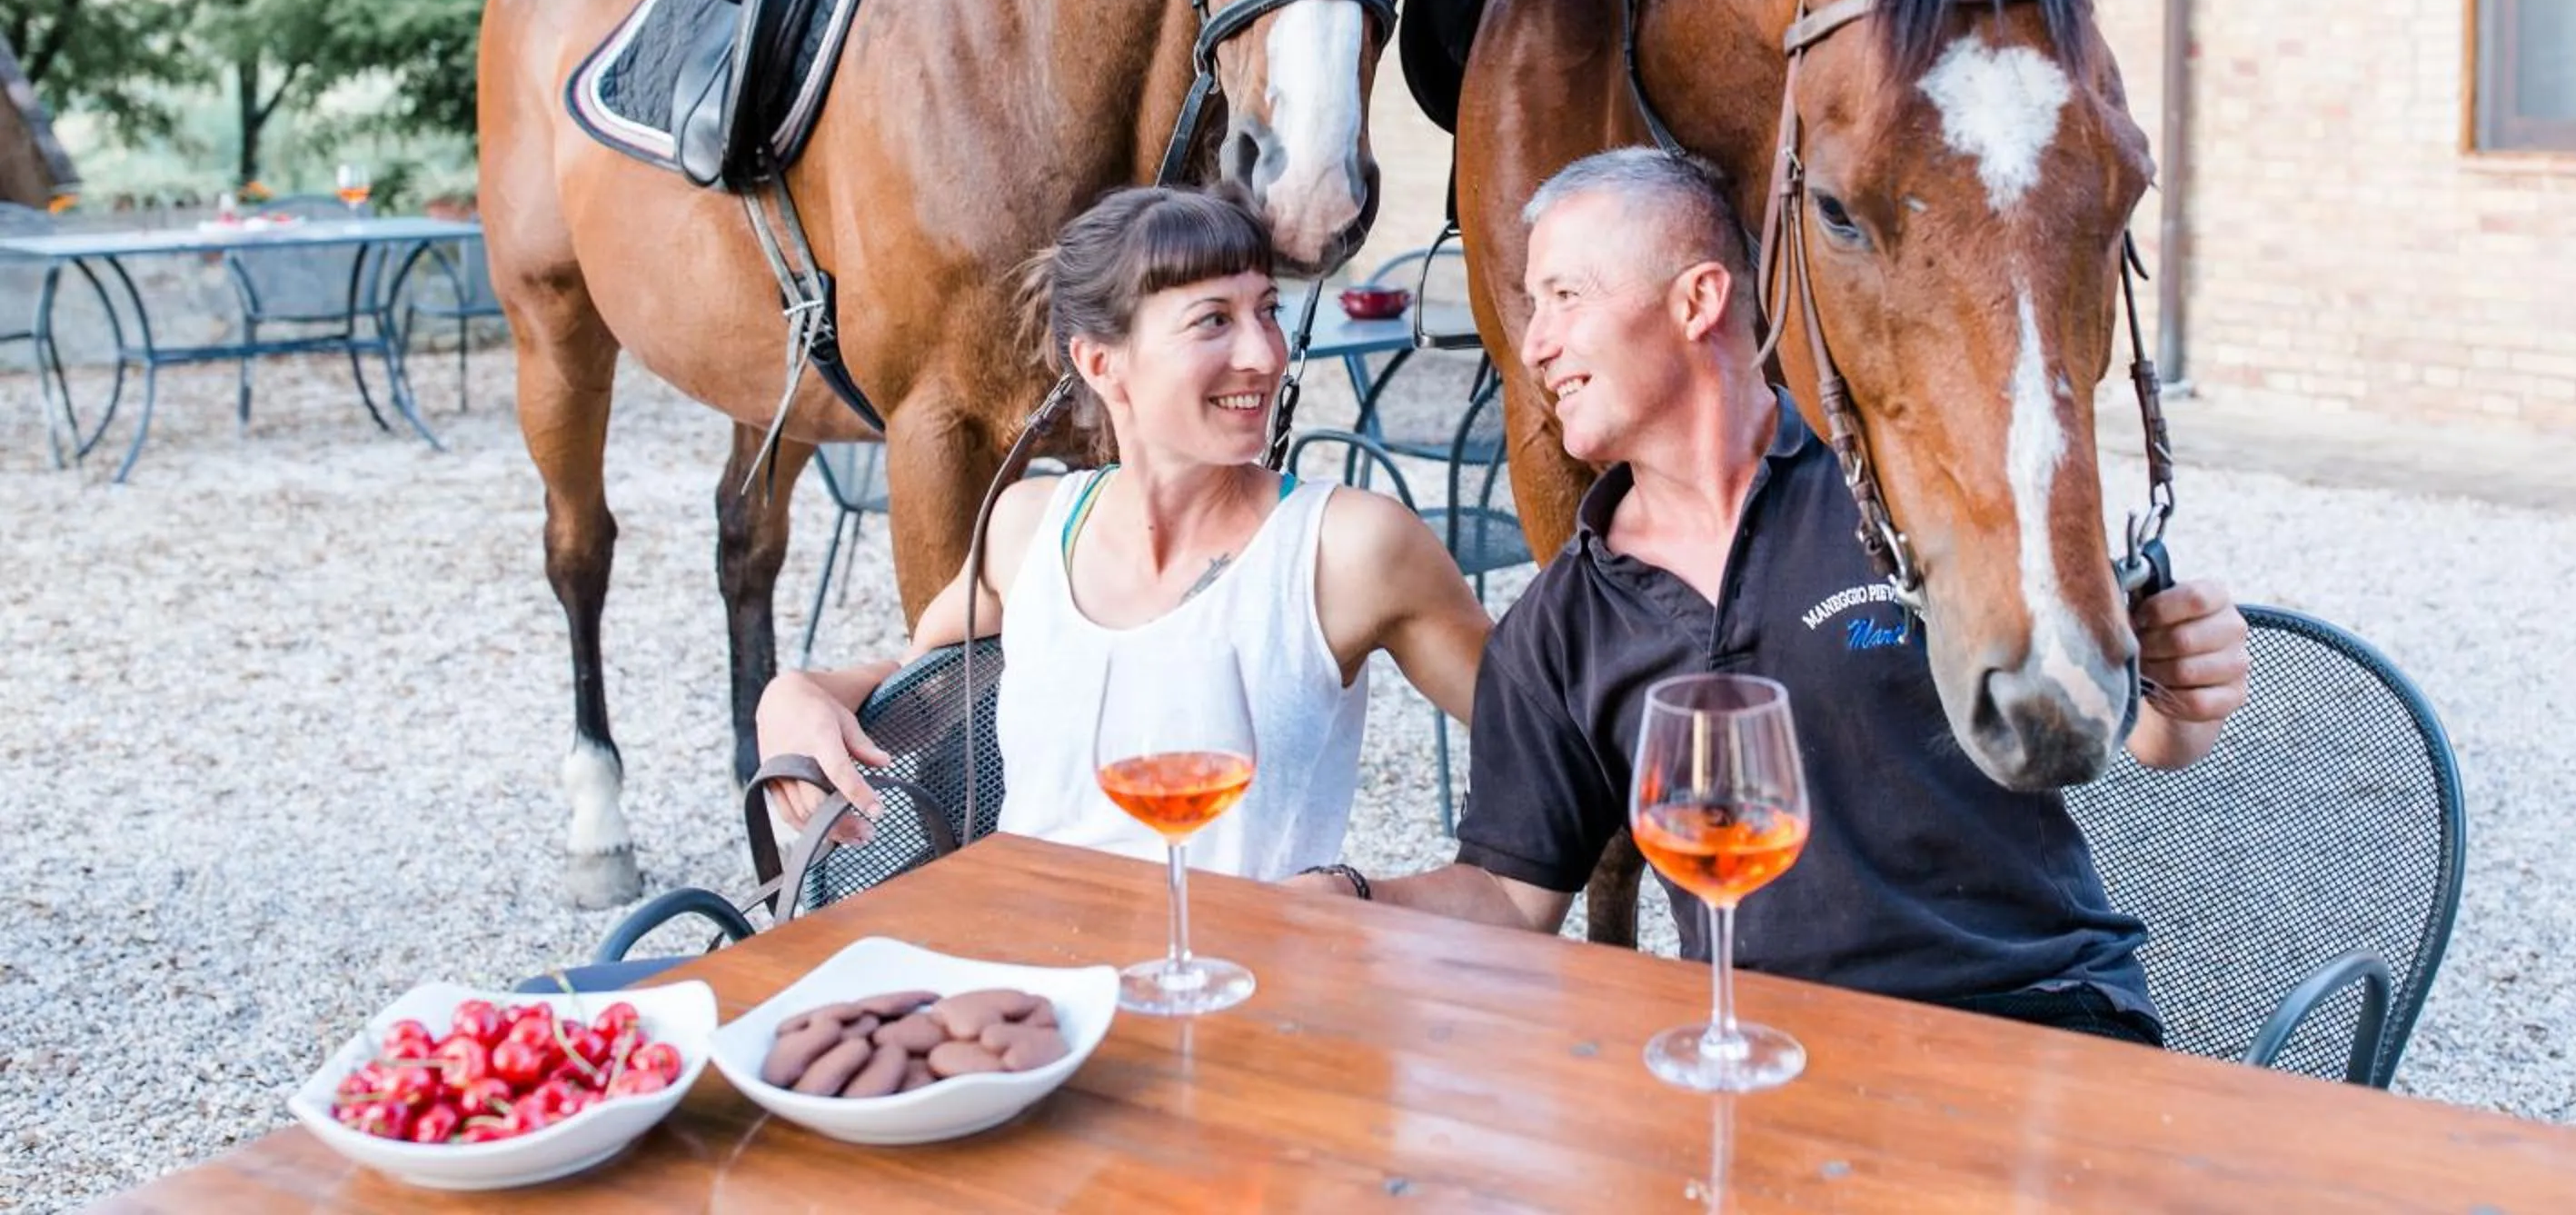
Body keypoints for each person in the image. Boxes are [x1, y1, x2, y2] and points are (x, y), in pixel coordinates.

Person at [1292, 149, 2253, 1042]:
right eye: (1531, 304)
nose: (1534, 343)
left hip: (2032, 1013)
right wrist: (1349, 894)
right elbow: (1509, 895)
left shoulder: (1908, 491)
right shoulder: (1560, 623)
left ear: (1699, 298)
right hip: (1770, 1052)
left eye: (1565, 296)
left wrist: (2182, 686)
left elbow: (2146, 735)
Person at [754, 184, 1492, 881]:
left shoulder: (1349, 549)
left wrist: (1406, 906)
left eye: (1267, 310)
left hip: (1236, 988)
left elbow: (1545, 744)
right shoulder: (1029, 527)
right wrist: (796, 693)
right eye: (1214, 320)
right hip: (1034, 984)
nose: (1266, 355)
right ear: (1101, 363)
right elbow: (919, 700)